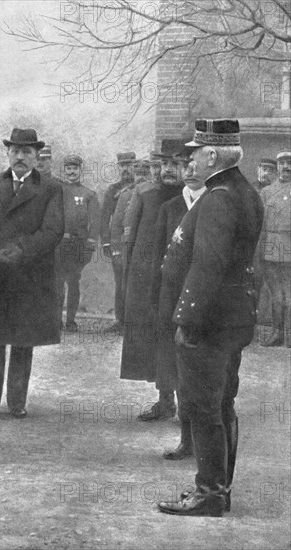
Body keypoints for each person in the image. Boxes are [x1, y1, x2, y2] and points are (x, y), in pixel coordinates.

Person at [158, 119, 263, 517]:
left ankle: (211, 493)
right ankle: (217, 489)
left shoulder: (219, 197)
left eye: (196, 153)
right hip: (231, 318)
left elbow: (208, 265)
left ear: (213, 155)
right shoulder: (241, 190)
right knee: (222, 403)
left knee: (203, 406)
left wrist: (187, 318)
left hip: (211, 321)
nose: (191, 159)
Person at [0, 128, 64, 418]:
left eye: (27, 152)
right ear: (8, 154)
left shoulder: (51, 188)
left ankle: (16, 402)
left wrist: (20, 251)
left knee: (23, 341)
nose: (20, 157)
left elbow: (52, 230)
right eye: (15, 151)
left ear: (37, 156)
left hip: (30, 276)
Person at [145, 150, 206, 458]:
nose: (189, 172)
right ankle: (186, 437)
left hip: (203, 296)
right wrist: (158, 299)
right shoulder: (170, 207)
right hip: (172, 295)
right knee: (174, 360)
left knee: (201, 367)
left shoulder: (213, 204)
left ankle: (202, 435)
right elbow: (158, 256)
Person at [120, 140, 183, 415]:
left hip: (180, 280)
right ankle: (165, 400)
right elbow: (130, 240)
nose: (168, 170)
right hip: (147, 281)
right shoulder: (144, 194)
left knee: (180, 339)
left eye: (175, 164)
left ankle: (187, 403)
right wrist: (131, 283)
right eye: (163, 164)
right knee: (154, 340)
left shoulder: (194, 196)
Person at [55, 154, 100, 331]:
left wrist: (90, 244)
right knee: (58, 283)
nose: (71, 172)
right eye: (68, 168)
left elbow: (95, 221)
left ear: (80, 170)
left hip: (77, 245)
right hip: (59, 244)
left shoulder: (88, 194)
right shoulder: (58, 191)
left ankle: (71, 321)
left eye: (75, 168)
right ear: (64, 170)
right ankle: (56, 320)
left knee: (73, 282)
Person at [100, 152, 136, 333]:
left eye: (130, 164)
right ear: (118, 167)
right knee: (120, 281)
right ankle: (120, 320)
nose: (126, 169)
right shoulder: (112, 190)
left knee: (134, 282)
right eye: (123, 165)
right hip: (117, 243)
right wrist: (106, 242)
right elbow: (105, 217)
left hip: (136, 242)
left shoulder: (141, 187)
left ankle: (133, 321)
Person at [259, 151, 291, 347]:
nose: (286, 167)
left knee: (289, 292)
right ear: (277, 166)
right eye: (282, 163)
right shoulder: (267, 192)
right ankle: (277, 332)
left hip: (290, 244)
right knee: (275, 293)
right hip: (270, 245)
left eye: (290, 163)